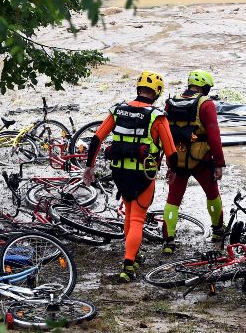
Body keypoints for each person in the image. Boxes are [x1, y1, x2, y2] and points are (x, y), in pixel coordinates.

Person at [82, 71, 178, 282]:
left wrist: (89, 167)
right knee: (137, 219)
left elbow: (97, 138)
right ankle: (128, 265)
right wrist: (173, 170)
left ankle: (132, 256)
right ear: (158, 92)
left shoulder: (118, 110)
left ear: (138, 88)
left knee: (128, 214)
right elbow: (171, 151)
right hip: (143, 173)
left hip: (120, 172)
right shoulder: (156, 116)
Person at [161, 69, 225, 254]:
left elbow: (163, 134)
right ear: (204, 87)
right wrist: (219, 163)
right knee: (212, 194)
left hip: (177, 159)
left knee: (173, 199)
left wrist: (165, 162)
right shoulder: (206, 104)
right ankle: (218, 231)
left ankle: (168, 242)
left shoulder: (170, 103)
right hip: (201, 160)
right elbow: (214, 136)